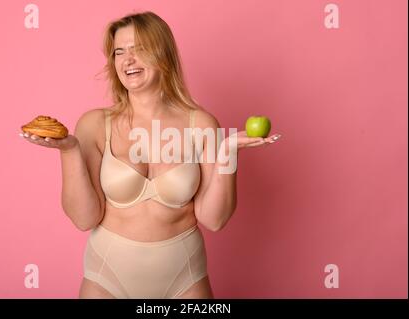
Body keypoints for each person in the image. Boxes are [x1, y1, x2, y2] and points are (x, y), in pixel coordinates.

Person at [19, 11, 281, 299]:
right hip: (106, 278)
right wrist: (69, 151)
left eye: (138, 49)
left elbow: (214, 219)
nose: (127, 60)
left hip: (185, 278)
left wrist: (228, 154)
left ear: (164, 55)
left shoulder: (201, 124)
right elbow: (84, 218)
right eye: (119, 52)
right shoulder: (95, 125)